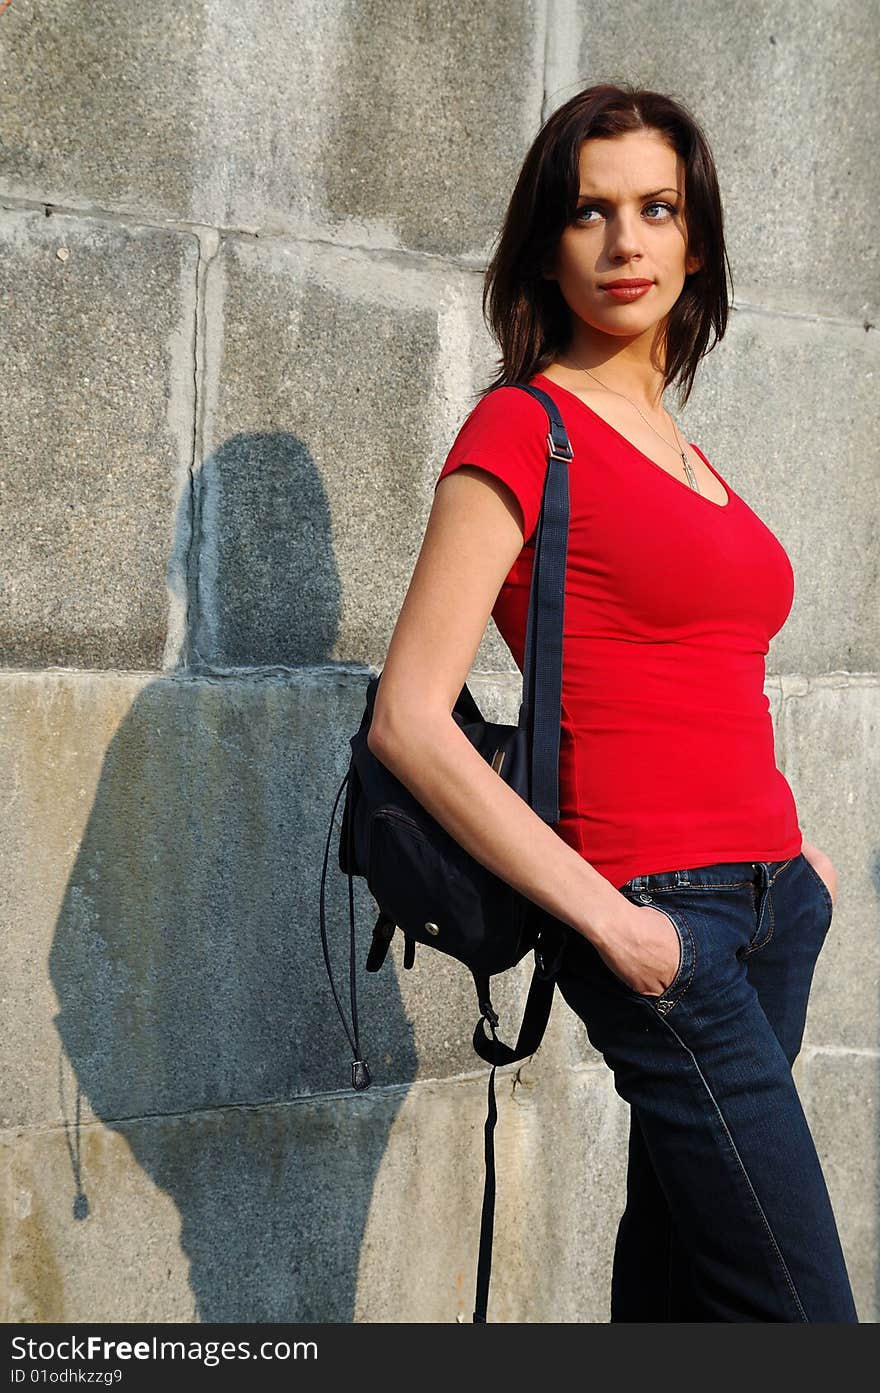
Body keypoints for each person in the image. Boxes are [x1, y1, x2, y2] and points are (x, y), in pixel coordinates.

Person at [366, 82, 858, 1322]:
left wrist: (802, 867)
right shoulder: (526, 428)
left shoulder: (687, 451)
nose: (625, 241)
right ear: (549, 240)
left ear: (695, 243)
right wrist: (613, 924)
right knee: (797, 1312)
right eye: (590, 211)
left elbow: (700, 672)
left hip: (769, 908)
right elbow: (410, 720)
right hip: (659, 920)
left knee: (685, 1285)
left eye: (656, 208)